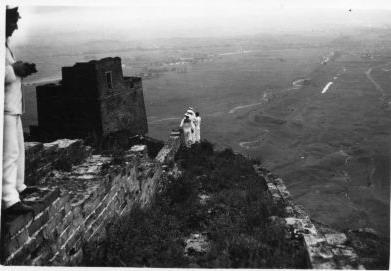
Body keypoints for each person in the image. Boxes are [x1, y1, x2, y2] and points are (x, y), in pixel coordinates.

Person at [3, 6, 39, 215]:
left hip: (13, 107)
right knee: (9, 153)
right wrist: (13, 70)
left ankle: (19, 187)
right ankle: (9, 199)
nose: (15, 27)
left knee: (18, 150)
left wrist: (21, 69)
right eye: (12, 22)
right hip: (5, 108)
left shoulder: (5, 44)